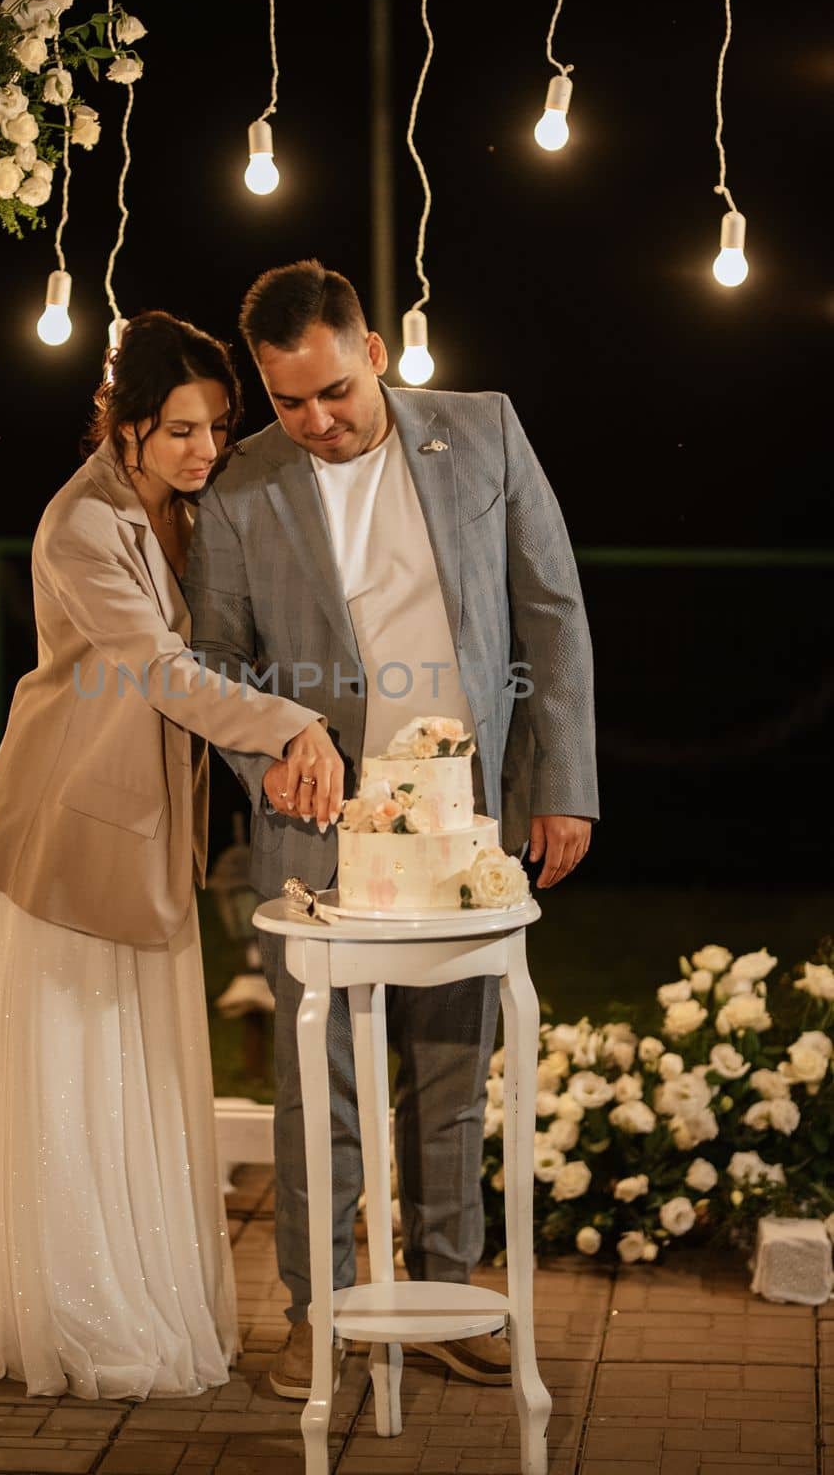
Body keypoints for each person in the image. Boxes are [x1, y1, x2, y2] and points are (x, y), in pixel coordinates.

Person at [184, 261, 598, 1396]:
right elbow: (214, 663)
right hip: (318, 834)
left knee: (454, 1071)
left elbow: (552, 612)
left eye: (332, 393)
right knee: (321, 1087)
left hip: (468, 824)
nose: (315, 422)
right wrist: (272, 756)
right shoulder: (238, 488)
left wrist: (563, 783)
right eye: (288, 403)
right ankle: (317, 1313)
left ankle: (454, 1295)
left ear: (375, 353)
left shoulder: (485, 432)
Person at [0, 310, 344, 1401]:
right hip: (71, 833)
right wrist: (293, 728)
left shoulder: (180, 513)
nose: (205, 449)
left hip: (146, 835)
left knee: (148, 1077)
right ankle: (87, 1321)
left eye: (216, 425)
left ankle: (153, 1296)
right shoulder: (83, 525)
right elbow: (165, 675)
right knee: (82, 1079)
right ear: (123, 429)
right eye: (179, 430)